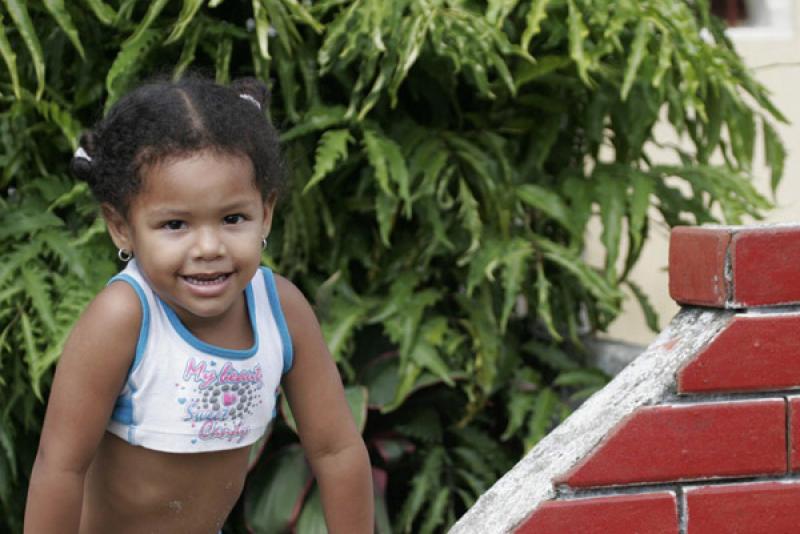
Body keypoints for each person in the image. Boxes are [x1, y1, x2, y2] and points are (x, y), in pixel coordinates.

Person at [24, 75, 373, 533]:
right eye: (174, 225)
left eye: (233, 218)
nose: (208, 247)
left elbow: (337, 451)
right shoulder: (123, 319)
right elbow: (59, 468)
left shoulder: (279, 310)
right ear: (121, 227)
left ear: (264, 213)